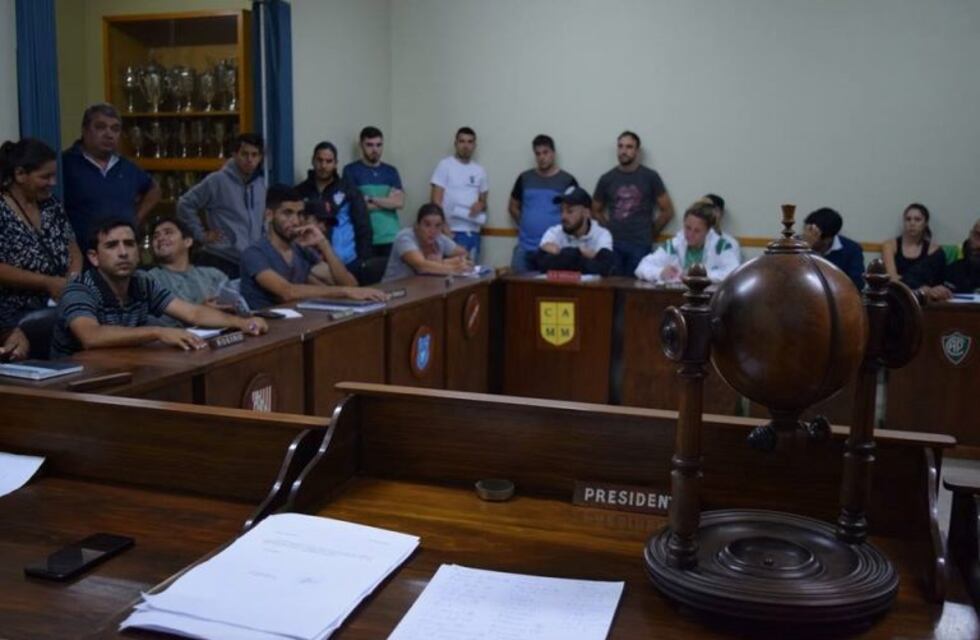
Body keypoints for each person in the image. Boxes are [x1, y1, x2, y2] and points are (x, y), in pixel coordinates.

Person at [50, 219, 266, 359]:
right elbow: (91, 336)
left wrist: (242, 322)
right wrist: (158, 332)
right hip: (76, 385)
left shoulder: (141, 282)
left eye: (129, 244)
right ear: (94, 257)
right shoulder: (79, 289)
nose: (123, 253)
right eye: (112, 246)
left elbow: (193, 312)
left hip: (125, 369)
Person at [239, 185, 387, 310]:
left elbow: (349, 284)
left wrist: (323, 244)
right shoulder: (253, 253)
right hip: (264, 333)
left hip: (299, 325)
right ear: (269, 215)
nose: (296, 221)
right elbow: (287, 292)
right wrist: (345, 292)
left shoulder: (301, 249)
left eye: (299, 214)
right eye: (288, 213)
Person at [0, 138, 83, 329]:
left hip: (61, 309)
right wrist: (46, 283)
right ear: (20, 174)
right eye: (45, 177)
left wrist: (71, 282)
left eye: (54, 176)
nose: (52, 183)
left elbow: (73, 248)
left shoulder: (51, 205)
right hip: (12, 318)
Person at [61, 103, 161, 244]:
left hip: (122, 251)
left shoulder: (127, 167)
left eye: (115, 129)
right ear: (84, 130)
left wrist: (136, 218)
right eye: (101, 127)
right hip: (82, 252)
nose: (109, 134)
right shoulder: (65, 164)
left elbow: (154, 189)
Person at [177, 133, 266, 274]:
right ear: (235, 154)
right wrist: (200, 234)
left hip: (249, 260)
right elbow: (185, 204)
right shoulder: (217, 180)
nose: (250, 160)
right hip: (220, 258)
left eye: (254, 155)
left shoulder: (260, 184)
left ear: (260, 158)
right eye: (245, 154)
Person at [593, 131, 675, 276]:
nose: (624, 151)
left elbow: (667, 211)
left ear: (637, 151)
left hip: (640, 244)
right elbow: (595, 210)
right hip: (613, 245)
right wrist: (607, 230)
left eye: (629, 147)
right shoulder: (607, 178)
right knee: (613, 289)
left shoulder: (650, 177)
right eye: (620, 146)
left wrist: (651, 233)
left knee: (637, 290)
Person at [295, 142, 375, 283]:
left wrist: (363, 261)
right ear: (313, 160)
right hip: (313, 263)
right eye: (319, 160)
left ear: (336, 163)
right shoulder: (299, 191)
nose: (323, 165)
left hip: (348, 261)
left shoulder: (349, 190)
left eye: (328, 161)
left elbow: (363, 227)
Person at [508, 134, 578, 273]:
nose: (541, 157)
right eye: (538, 153)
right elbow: (513, 206)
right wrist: (526, 222)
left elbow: (575, 212)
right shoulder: (524, 178)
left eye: (545, 152)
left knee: (548, 293)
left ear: (553, 154)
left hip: (553, 249)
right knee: (516, 290)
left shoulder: (567, 180)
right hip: (525, 247)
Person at [146, 217, 229, 327]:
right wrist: (202, 312)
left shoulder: (214, 275)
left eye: (168, 232)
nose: (160, 238)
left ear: (187, 241)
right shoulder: (148, 279)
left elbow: (233, 307)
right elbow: (152, 322)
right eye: (156, 236)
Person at [635, 198, 740, 283]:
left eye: (697, 231)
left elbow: (734, 274)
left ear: (708, 232)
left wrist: (699, 276)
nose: (690, 234)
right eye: (687, 228)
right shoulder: (674, 245)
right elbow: (641, 268)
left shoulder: (720, 246)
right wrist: (660, 272)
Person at [342, 126, 404, 258]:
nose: (374, 149)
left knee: (392, 278)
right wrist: (387, 202)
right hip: (365, 237)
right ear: (361, 145)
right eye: (369, 145)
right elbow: (356, 206)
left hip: (391, 236)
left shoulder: (391, 171)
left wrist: (370, 198)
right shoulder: (350, 170)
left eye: (378, 145)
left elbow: (399, 202)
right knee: (369, 277)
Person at [430, 127, 489, 261]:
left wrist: (481, 204)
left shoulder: (480, 170)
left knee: (471, 275)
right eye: (462, 141)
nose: (466, 146)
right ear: (455, 144)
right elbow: (435, 200)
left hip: (472, 231)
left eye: (469, 142)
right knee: (450, 275)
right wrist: (443, 228)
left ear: (474, 145)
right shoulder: (445, 165)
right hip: (450, 231)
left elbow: (484, 202)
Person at [383, 203, 472, 281]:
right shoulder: (405, 237)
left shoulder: (439, 238)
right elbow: (422, 266)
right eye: (427, 225)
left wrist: (456, 261)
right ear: (417, 225)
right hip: (395, 292)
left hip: (422, 289)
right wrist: (454, 268)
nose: (432, 231)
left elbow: (464, 254)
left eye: (438, 226)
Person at [535, 187, 613, 276]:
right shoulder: (554, 232)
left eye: (570, 211)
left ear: (586, 213)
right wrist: (580, 253)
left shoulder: (602, 235)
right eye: (561, 210)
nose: (563, 217)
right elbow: (542, 264)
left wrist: (561, 254)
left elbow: (605, 268)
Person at [907, 219, 980, 302]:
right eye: (977, 235)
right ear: (971, 234)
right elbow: (909, 279)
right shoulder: (951, 254)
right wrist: (928, 291)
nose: (979, 245)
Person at [802, 207, 866, 290]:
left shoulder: (852, 249)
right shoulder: (795, 246)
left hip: (838, 297)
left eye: (814, 235)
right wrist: (806, 249)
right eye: (807, 231)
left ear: (829, 238)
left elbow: (857, 283)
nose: (808, 236)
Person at [881, 203, 942, 281]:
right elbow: (892, 278)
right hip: (898, 291)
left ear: (925, 223)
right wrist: (917, 287)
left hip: (926, 292)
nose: (912, 223)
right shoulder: (890, 245)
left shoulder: (934, 250)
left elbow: (935, 281)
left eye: (917, 219)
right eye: (908, 219)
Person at [704, 193, 742, 262]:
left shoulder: (731, 243)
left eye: (715, 210)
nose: (710, 214)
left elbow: (734, 270)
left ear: (722, 213)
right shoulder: (690, 240)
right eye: (706, 209)